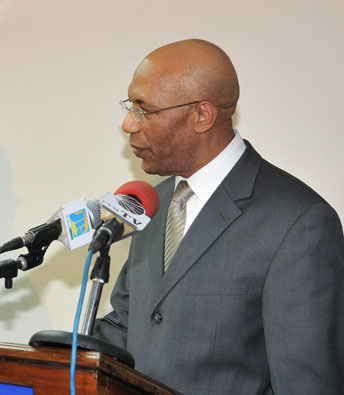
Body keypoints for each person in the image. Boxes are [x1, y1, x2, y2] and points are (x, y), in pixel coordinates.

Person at [93, 39, 344, 394]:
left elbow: (307, 383)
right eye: (130, 106)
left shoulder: (298, 222)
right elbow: (130, 325)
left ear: (202, 115)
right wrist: (48, 357)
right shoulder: (152, 201)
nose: (128, 124)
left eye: (143, 109)